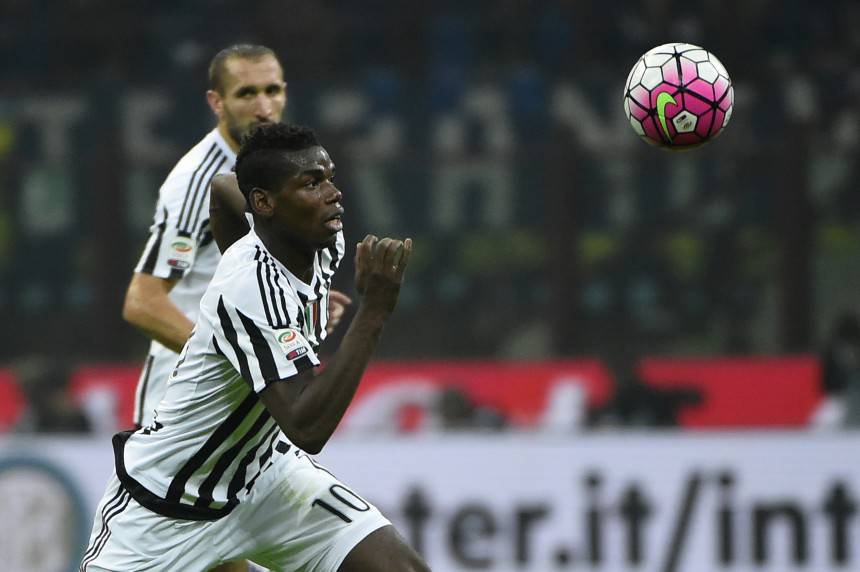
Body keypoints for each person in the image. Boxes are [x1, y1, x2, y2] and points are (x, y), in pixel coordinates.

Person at [81, 123, 429, 572]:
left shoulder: (323, 239)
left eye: (329, 176)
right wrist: (374, 310)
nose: (333, 193)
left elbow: (224, 185)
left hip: (264, 480)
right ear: (265, 203)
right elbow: (307, 428)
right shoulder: (247, 285)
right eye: (311, 183)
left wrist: (237, 248)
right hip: (166, 511)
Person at [122, 43, 351, 430]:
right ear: (217, 101)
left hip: (248, 387)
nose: (263, 106)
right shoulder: (197, 179)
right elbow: (142, 302)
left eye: (272, 90)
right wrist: (231, 354)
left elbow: (254, 268)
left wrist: (309, 302)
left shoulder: (281, 169)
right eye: (247, 93)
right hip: (188, 398)